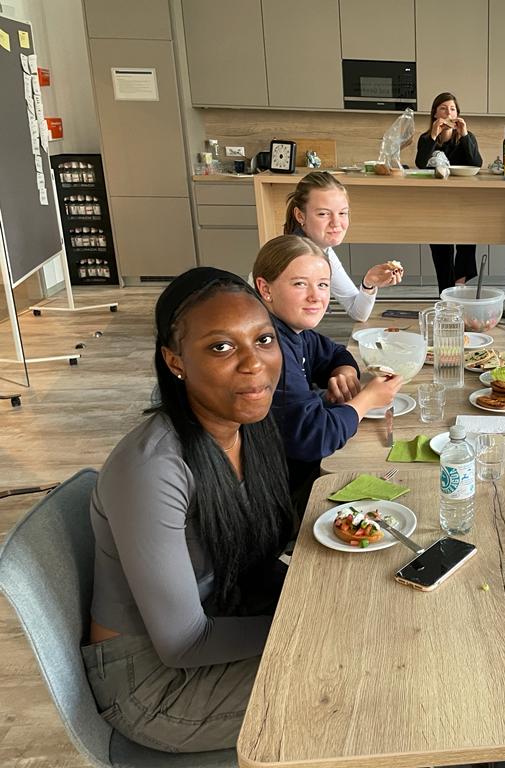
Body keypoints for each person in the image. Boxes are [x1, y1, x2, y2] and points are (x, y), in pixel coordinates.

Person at [82, 267, 294, 752]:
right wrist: (309, 625)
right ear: (175, 360)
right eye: (221, 347)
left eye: (263, 339)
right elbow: (184, 644)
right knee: (360, 678)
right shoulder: (152, 469)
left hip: (225, 617)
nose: (253, 363)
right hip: (154, 684)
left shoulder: (247, 426)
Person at [253, 235, 404, 507]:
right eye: (300, 284)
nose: (315, 296)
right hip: (281, 491)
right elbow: (315, 436)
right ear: (265, 289)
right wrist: (367, 399)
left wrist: (345, 373)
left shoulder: (294, 331)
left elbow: (335, 353)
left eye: (322, 284)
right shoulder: (270, 348)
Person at [282, 171, 404, 322]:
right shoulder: (293, 259)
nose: (336, 223)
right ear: (300, 216)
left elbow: (358, 313)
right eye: (323, 214)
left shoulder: (322, 251)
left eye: (342, 213)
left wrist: (368, 284)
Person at [415, 91, 483, 292]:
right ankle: (445, 293)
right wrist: (433, 135)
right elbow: (420, 163)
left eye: (452, 109)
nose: (448, 113)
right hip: (436, 202)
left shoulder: (466, 137)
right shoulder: (426, 138)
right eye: (443, 108)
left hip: (463, 200)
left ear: (457, 114)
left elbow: (476, 163)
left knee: (466, 239)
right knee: (440, 249)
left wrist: (464, 134)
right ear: (435, 113)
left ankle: (459, 285)